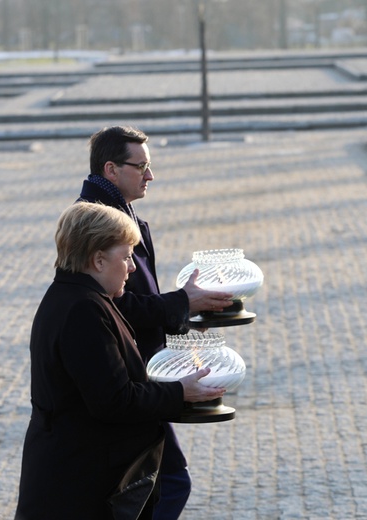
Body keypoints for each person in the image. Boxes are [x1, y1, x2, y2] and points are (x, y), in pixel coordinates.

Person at [15, 202, 225, 520]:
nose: (132, 267)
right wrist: (180, 392)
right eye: (126, 256)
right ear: (98, 259)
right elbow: (115, 400)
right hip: (77, 488)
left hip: (75, 478)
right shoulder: (83, 311)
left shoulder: (81, 298)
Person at [77, 125, 233, 519]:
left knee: (155, 486)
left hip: (142, 373)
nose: (150, 175)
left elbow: (140, 301)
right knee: (167, 484)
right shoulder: (97, 225)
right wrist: (181, 302)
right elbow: (115, 305)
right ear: (111, 170)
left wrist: (186, 314)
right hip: (128, 377)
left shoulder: (124, 216)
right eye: (141, 166)